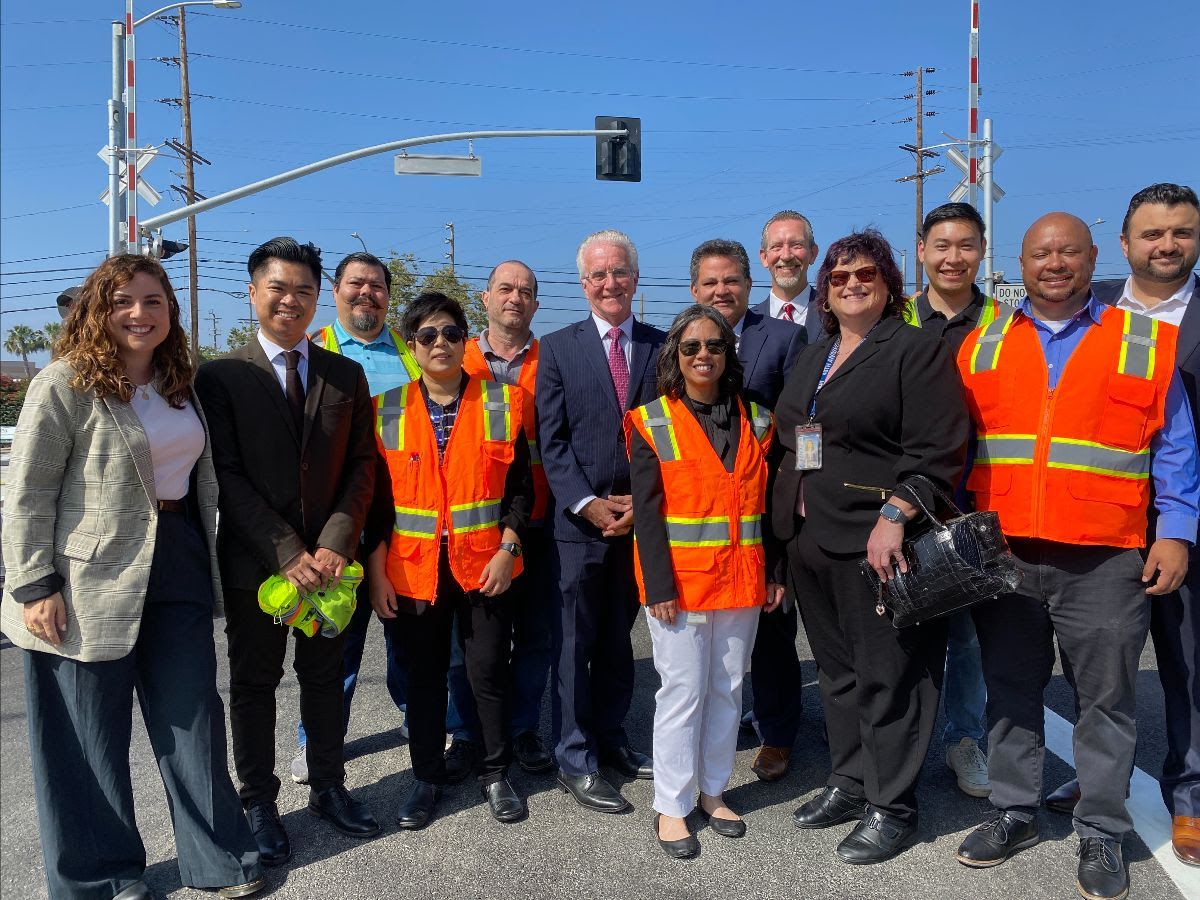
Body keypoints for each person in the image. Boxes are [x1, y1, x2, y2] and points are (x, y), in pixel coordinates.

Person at [1, 254, 263, 900]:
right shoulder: (65, 383)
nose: (139, 314)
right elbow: (27, 490)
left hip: (178, 557)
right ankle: (102, 877)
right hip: (84, 576)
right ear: (99, 308)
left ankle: (218, 858)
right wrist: (34, 583)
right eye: (123, 301)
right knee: (87, 736)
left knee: (193, 717)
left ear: (171, 312)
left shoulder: (181, 382)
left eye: (153, 301)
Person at [954, 213, 1197, 900]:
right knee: (1010, 690)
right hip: (1007, 556)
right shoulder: (983, 343)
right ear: (1020, 263)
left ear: (1094, 258)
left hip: (1107, 557)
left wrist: (1175, 530)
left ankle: (1099, 827)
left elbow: (1176, 448)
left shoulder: (1145, 342)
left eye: (1068, 251)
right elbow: (957, 447)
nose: (1054, 263)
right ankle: (1013, 810)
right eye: (1040, 253)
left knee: (1107, 700)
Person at [771, 229, 968, 865]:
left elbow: (938, 447)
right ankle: (850, 781)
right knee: (837, 674)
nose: (852, 284)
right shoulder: (816, 352)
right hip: (810, 538)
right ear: (825, 293)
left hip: (877, 540)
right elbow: (798, 434)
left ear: (888, 286)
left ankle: (893, 806)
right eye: (840, 277)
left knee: (891, 676)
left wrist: (896, 513)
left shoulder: (915, 349)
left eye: (866, 275)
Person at [195, 237, 381, 868]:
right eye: (278, 287)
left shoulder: (343, 374)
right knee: (254, 682)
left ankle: (330, 786)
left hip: (328, 570)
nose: (290, 301)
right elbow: (228, 472)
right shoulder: (221, 376)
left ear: (316, 298)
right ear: (253, 292)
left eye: (304, 290)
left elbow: (361, 467)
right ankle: (258, 802)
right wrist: (283, 550)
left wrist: (332, 545)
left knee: (326, 680)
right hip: (258, 567)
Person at [1045, 185, 1200, 868]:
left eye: (1183, 233)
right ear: (1126, 243)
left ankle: (1190, 795)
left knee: (1186, 664)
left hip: (1180, 521)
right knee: (1096, 666)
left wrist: (1180, 524)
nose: (1167, 245)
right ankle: (1097, 774)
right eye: (1152, 234)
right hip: (1100, 522)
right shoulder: (1092, 311)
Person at [367, 291, 534, 827]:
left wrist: (509, 549)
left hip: (486, 565)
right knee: (423, 678)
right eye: (427, 336)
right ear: (411, 346)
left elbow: (521, 489)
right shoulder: (387, 409)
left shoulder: (501, 403)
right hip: (413, 570)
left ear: (466, 341)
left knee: (486, 672)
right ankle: (425, 778)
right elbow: (374, 504)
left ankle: (494, 774)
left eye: (451, 333)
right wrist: (375, 574)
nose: (440, 343)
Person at [628, 303, 784, 859]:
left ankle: (714, 791)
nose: (702, 356)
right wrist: (658, 586)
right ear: (675, 355)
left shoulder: (759, 420)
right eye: (690, 347)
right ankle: (672, 805)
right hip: (682, 587)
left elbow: (769, 509)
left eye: (713, 346)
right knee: (682, 693)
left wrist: (776, 572)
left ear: (727, 354)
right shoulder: (653, 420)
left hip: (743, 579)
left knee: (727, 689)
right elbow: (646, 515)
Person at [537, 229, 666, 813]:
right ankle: (573, 755)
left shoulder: (664, 348)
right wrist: (587, 502)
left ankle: (613, 738)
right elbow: (553, 440)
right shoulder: (558, 348)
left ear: (635, 278)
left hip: (640, 520)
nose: (609, 283)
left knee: (619, 638)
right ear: (583, 283)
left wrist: (642, 502)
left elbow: (670, 438)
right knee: (572, 644)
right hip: (578, 526)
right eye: (598, 275)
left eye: (619, 272)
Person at [288, 251, 421, 786]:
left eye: (377, 286)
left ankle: (421, 720)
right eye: (355, 284)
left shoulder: (411, 355)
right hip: (336, 525)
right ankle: (315, 741)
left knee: (406, 637)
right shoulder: (313, 350)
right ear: (334, 291)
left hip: (401, 521)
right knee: (331, 643)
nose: (367, 293)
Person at [689, 238, 805, 782]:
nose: (721, 291)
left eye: (731, 280)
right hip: (704, 517)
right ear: (694, 290)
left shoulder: (784, 338)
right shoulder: (685, 341)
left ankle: (779, 735)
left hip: (767, 509)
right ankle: (723, 721)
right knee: (713, 633)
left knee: (773, 626)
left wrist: (803, 486)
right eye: (710, 282)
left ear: (748, 284)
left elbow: (807, 425)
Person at [446, 260, 556, 779]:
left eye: (526, 291)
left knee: (534, 637)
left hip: (539, 522)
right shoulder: (453, 353)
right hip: (468, 529)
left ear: (536, 303)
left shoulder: (554, 357)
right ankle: (467, 734)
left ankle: (521, 729)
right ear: (484, 297)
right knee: (466, 645)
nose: (516, 297)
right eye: (505, 289)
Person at [910, 201, 1003, 800]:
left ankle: (965, 738)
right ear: (920, 250)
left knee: (970, 635)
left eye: (965, 245)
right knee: (903, 630)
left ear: (982, 250)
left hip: (974, 503)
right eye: (941, 245)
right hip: (902, 502)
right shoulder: (893, 320)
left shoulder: (1002, 325)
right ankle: (901, 743)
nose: (953, 257)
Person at [754, 210, 823, 341]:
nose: (786, 256)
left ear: (813, 254)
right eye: (776, 246)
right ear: (764, 257)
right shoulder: (748, 323)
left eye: (796, 245)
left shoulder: (836, 315)